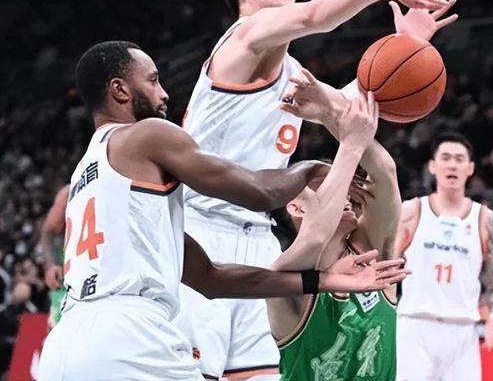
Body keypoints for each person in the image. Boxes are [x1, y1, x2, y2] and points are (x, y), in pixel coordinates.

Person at [37, 41, 407, 381]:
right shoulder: (146, 135)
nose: (164, 93)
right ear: (120, 90)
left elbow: (211, 279)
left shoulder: (89, 177)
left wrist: (321, 281)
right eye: (152, 80)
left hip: (65, 343)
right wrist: (309, 168)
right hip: (128, 334)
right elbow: (259, 193)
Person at [179, 0, 458, 377]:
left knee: (262, 374)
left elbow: (357, 107)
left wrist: (410, 46)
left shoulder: (293, 74)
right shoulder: (242, 38)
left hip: (259, 241)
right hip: (200, 229)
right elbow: (315, 16)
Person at [265, 72, 400, 380]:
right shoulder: (284, 277)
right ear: (296, 206)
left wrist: (329, 112)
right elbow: (315, 238)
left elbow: (385, 173)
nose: (346, 191)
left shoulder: (371, 253)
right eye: (330, 186)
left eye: (345, 182)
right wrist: (350, 142)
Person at [394, 132, 493, 381]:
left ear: (471, 168)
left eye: (459, 159)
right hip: (414, 326)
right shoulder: (411, 211)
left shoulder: (484, 219)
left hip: (463, 331)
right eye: (445, 158)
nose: (452, 164)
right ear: (432, 166)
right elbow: (386, 269)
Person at [39, 183, 70, 328]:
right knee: (59, 329)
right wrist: (50, 265)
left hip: (108, 272)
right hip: (69, 271)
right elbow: (48, 230)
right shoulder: (70, 191)